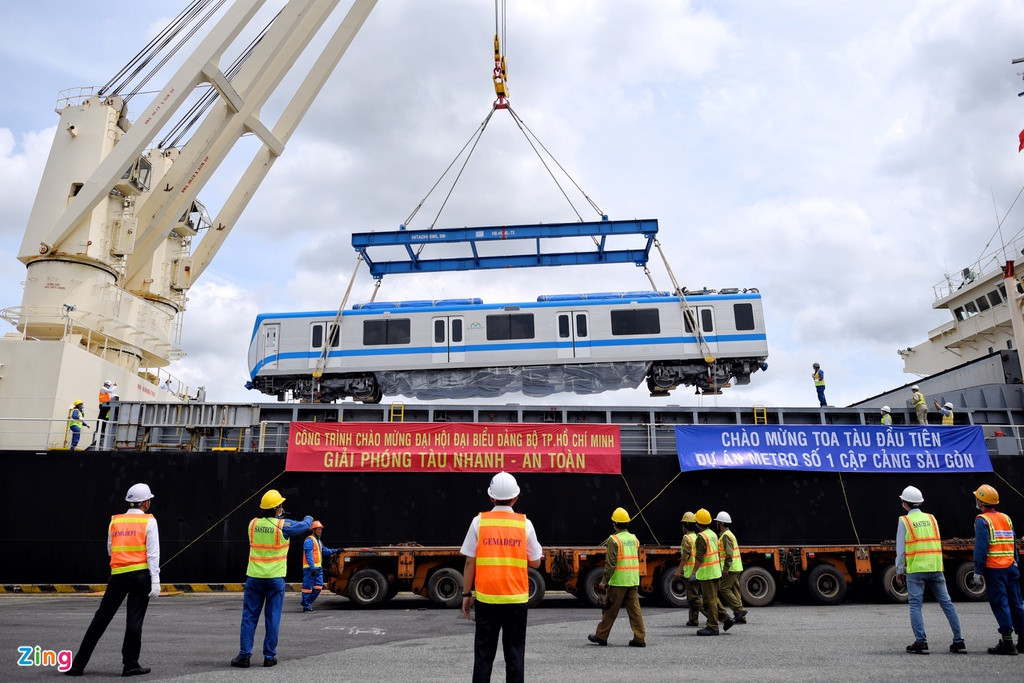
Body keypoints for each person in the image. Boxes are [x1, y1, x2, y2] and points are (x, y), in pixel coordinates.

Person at [65, 483, 160, 677]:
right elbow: (153, 554)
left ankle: (78, 665)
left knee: (100, 619)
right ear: (144, 503)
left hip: (117, 575)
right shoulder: (149, 521)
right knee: (134, 621)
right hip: (140, 576)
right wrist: (156, 580)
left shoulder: (115, 521)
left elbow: (110, 549)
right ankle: (130, 664)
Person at [460, 471, 543, 683]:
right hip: (516, 600)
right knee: (514, 655)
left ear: (491, 497)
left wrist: (466, 594)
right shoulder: (525, 524)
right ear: (515, 497)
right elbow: (535, 562)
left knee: (483, 657)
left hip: (486, 600)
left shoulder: (479, 522)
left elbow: (470, 561)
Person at [231, 489, 312, 669]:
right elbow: (304, 526)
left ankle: (244, 656)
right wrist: (309, 518)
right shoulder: (283, 525)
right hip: (274, 579)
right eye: (280, 506)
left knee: (249, 617)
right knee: (272, 617)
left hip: (254, 578)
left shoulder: (252, 524)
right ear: (277, 509)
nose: (282, 508)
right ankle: (269, 657)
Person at [894, 485, 965, 655]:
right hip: (935, 567)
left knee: (916, 606)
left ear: (905, 503)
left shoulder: (904, 521)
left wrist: (899, 570)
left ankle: (921, 642)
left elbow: (900, 549)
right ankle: (959, 641)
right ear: (921, 502)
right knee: (947, 604)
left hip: (916, 568)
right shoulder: (932, 518)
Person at [971, 484, 1024, 655]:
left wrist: (978, 570)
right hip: (1010, 566)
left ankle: (1008, 644)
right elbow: (1013, 541)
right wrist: (1015, 560)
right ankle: (1022, 640)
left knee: (1000, 603)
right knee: (1016, 602)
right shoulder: (1006, 518)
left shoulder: (982, 520)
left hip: (995, 569)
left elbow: (981, 547)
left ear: (981, 501)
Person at [588, 507, 646, 647]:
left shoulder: (614, 540)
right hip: (632, 580)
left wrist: (604, 581)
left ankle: (601, 636)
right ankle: (640, 638)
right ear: (627, 523)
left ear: (614, 524)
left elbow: (611, 563)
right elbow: (637, 558)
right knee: (635, 611)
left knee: (609, 610)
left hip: (619, 581)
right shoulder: (634, 539)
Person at [692, 508, 732, 635]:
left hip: (707, 574)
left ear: (697, 523)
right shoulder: (713, 535)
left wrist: (693, 573)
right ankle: (726, 619)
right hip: (715, 571)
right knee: (713, 599)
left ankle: (713, 626)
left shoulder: (701, 537)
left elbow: (699, 557)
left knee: (709, 601)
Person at [715, 511, 748, 624]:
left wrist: (726, 568)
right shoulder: (730, 534)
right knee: (735, 591)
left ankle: (739, 610)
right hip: (736, 566)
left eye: (717, 522)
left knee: (723, 589)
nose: (716, 524)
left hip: (731, 567)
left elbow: (728, 553)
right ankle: (741, 617)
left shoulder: (725, 536)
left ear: (720, 523)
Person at [673, 511, 703, 627]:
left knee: (693, 598)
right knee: (694, 597)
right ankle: (693, 620)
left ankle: (711, 617)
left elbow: (685, 557)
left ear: (685, 526)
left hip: (690, 571)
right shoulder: (696, 537)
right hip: (697, 571)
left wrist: (678, 570)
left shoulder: (686, 538)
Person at [300, 520, 337, 612]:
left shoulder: (318, 541)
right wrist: (312, 567)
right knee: (307, 587)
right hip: (310, 568)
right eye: (319, 529)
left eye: (321, 529)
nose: (321, 531)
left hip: (318, 568)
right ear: (313, 530)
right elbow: (308, 555)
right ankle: (306, 606)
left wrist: (336, 550)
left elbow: (324, 551)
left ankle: (306, 602)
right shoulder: (309, 540)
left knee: (319, 586)